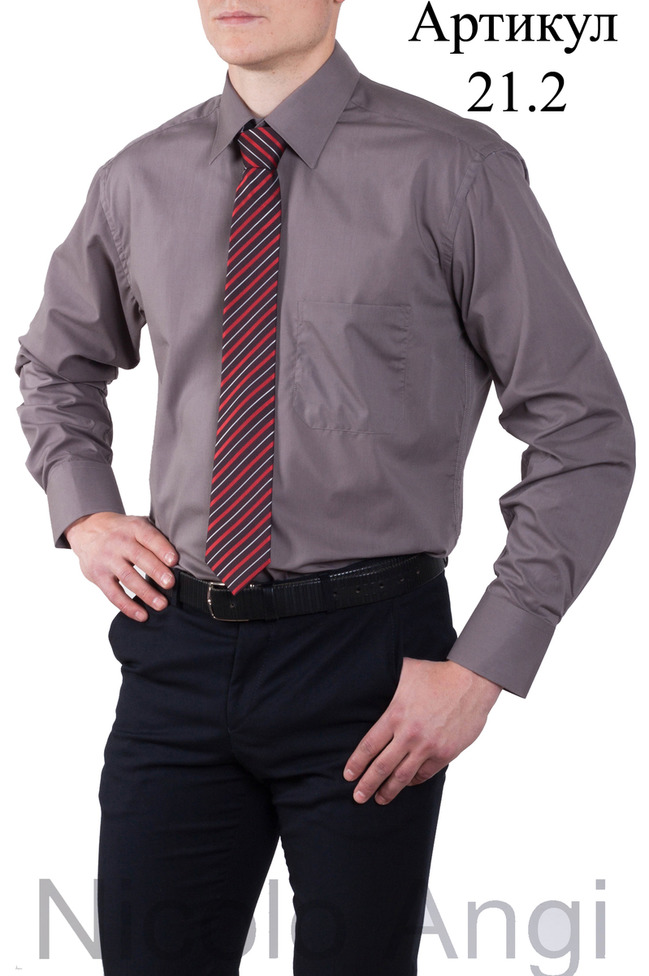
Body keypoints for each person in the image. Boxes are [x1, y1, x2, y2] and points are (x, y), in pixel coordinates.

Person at [16, 1, 634, 973]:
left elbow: (583, 428)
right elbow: (57, 364)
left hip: (371, 665)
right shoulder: (137, 179)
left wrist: (483, 666)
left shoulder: (454, 171)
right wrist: (84, 508)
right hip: (176, 649)